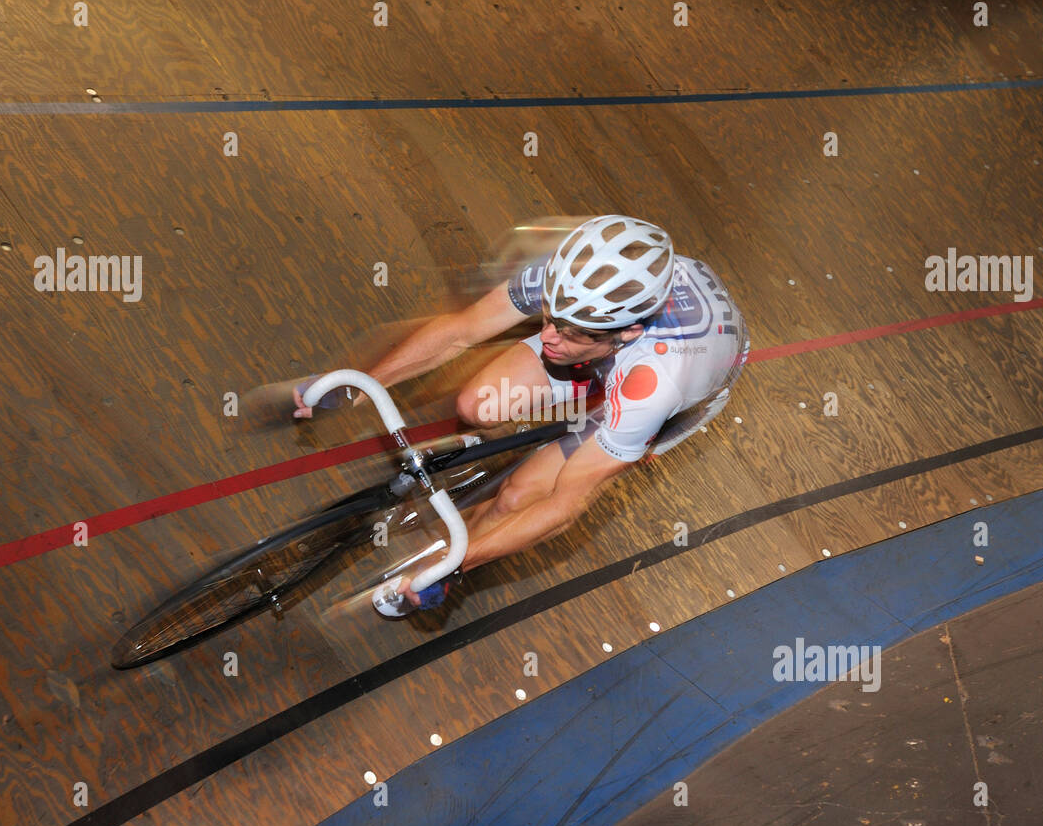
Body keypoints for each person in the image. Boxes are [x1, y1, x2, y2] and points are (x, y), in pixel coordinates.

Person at [294, 214, 749, 612]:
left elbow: (563, 508)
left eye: (567, 332)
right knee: (477, 405)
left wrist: (455, 563)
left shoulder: (655, 384)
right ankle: (565, 390)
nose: (547, 335)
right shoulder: (573, 281)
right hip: (611, 353)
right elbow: (462, 330)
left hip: (677, 387)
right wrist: (357, 384)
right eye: (547, 318)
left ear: (627, 332)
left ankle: (453, 563)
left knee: (516, 498)